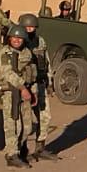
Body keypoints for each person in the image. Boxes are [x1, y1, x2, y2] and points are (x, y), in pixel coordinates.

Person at [0, 26, 41, 169]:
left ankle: (21, 150)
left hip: (26, 91)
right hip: (10, 92)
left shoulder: (27, 53)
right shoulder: (5, 53)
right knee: (13, 125)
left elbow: (31, 73)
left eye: (20, 38)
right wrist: (22, 88)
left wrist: (33, 92)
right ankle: (11, 155)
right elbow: (8, 74)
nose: (16, 40)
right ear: (9, 38)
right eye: (14, 38)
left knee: (27, 126)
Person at [17, 13, 61, 159]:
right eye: (27, 27)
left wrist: (49, 81)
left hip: (40, 84)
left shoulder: (40, 41)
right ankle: (21, 150)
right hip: (25, 86)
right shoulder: (17, 43)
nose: (30, 30)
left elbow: (46, 62)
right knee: (25, 121)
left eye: (32, 27)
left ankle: (40, 148)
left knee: (45, 117)